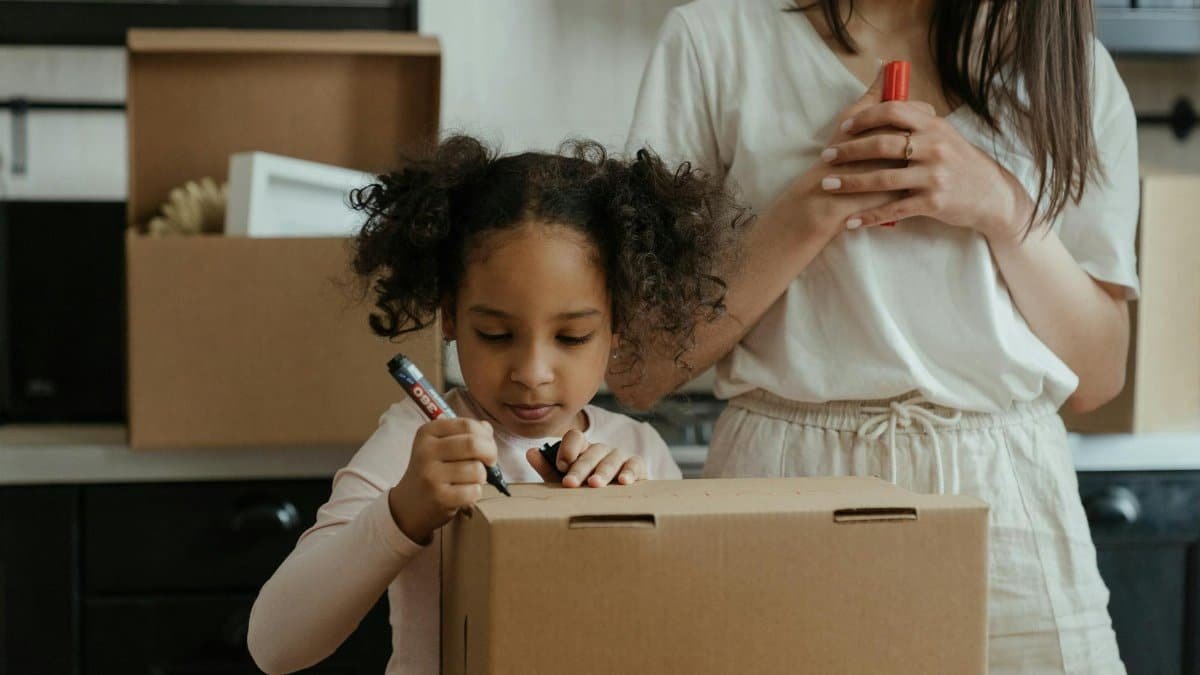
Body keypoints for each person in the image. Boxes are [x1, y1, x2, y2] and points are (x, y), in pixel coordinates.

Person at [617, 1, 1138, 672]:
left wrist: (1002, 208)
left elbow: (1100, 374)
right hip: (784, 491)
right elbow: (643, 366)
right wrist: (819, 200)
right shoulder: (715, 40)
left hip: (1008, 510)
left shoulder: (1073, 70)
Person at [247, 134, 742, 674]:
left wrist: (621, 519)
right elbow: (275, 646)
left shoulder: (637, 454)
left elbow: (689, 639)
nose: (531, 374)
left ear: (618, 324)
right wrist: (401, 513)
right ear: (452, 318)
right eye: (496, 334)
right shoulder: (417, 442)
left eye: (572, 337)